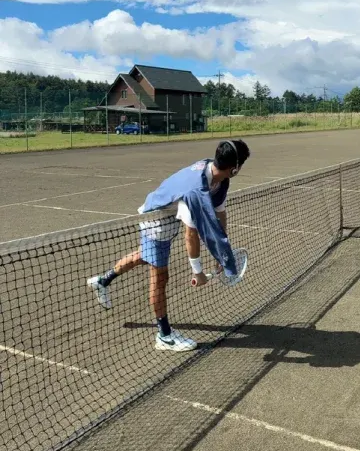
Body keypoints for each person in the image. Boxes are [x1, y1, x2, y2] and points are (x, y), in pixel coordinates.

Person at [87, 138, 250, 352]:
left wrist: (222, 255)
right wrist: (197, 271)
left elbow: (219, 214)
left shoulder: (219, 178)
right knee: (160, 275)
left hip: (170, 216)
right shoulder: (195, 191)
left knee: (144, 256)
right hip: (156, 219)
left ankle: (103, 280)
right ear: (235, 168)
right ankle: (164, 336)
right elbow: (191, 234)